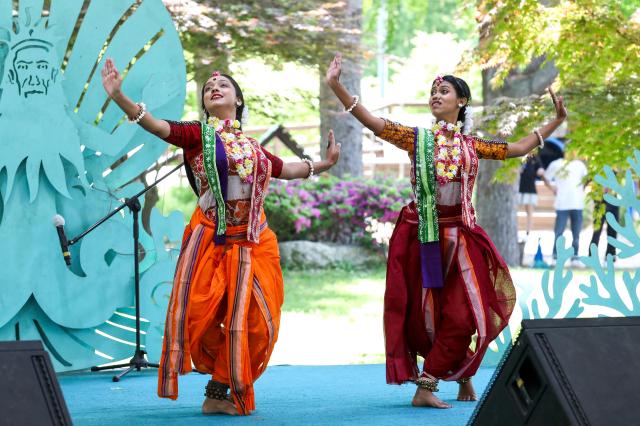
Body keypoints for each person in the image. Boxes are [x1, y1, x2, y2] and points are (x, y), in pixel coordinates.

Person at [325, 53, 567, 408]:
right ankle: (433, 384)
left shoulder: (473, 145)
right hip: (423, 237)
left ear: (462, 101)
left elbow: (516, 148)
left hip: (463, 237)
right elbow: (373, 123)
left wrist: (555, 121)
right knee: (425, 315)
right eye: (433, 91)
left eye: (444, 90)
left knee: (465, 312)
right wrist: (336, 86)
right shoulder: (416, 139)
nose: (436, 95)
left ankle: (456, 375)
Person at [101, 59, 341, 416]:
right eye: (209, 88)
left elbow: (286, 169)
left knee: (261, 324)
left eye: (223, 85)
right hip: (213, 242)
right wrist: (119, 96)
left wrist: (323, 164)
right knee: (203, 317)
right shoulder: (197, 135)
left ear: (238, 101)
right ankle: (217, 390)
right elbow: (155, 125)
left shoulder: (254, 147)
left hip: (254, 243)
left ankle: (220, 387)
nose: (214, 87)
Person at [542, 150, 587, 263]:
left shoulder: (580, 165)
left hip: (577, 204)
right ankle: (556, 255)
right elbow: (545, 177)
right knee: (559, 232)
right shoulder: (556, 164)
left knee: (576, 233)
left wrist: (582, 190)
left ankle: (575, 255)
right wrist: (552, 189)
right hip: (562, 204)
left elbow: (587, 179)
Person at [589, 187, 619, 262]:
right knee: (597, 231)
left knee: (613, 231)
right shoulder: (597, 174)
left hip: (613, 202)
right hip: (600, 202)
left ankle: (611, 255)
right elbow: (589, 182)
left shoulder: (619, 175)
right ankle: (592, 255)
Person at [518, 154, 544, 235]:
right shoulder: (519, 157)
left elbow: (541, 169)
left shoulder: (535, 158)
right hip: (519, 188)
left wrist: (540, 170)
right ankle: (517, 229)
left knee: (529, 210)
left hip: (530, 188)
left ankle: (528, 231)